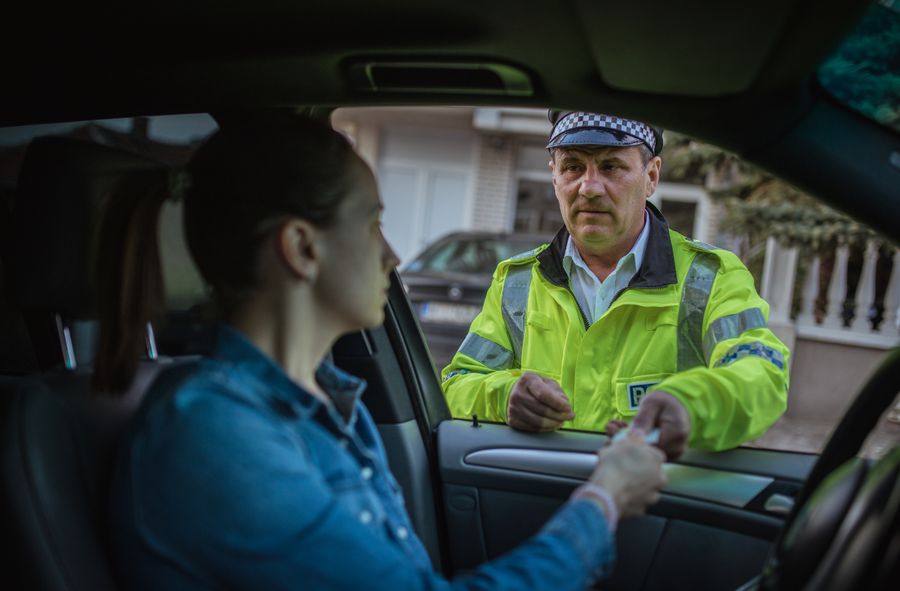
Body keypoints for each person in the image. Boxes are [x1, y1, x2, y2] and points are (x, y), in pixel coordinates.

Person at [96, 114, 666, 590]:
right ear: (301, 247)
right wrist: (604, 501)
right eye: (372, 224)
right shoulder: (214, 433)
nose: (393, 255)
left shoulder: (331, 404)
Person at [442, 110, 790, 459]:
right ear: (555, 178)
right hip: (540, 495)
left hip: (652, 498)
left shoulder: (710, 278)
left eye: (611, 167)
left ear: (651, 176)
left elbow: (762, 372)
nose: (589, 187)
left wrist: (690, 406)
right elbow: (457, 383)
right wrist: (502, 398)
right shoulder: (516, 282)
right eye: (573, 167)